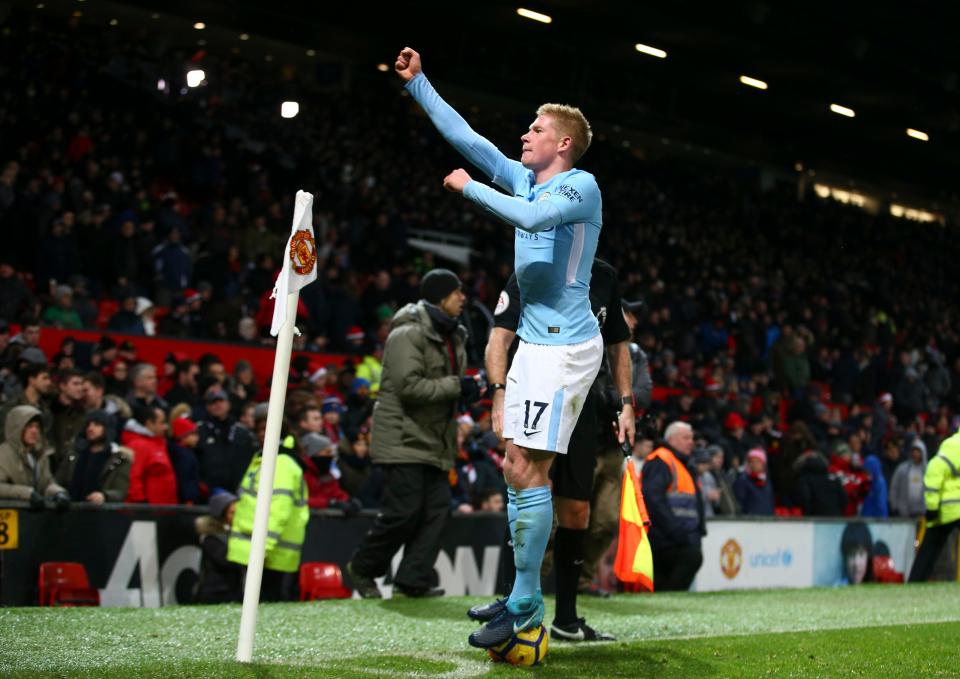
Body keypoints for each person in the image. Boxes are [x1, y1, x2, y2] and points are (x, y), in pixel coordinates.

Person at [395, 47, 604, 647]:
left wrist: (468, 191)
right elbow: (471, 140)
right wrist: (419, 85)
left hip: (567, 348)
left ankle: (526, 606)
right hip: (533, 347)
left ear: (562, 143)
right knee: (514, 466)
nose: (525, 134)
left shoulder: (580, 187)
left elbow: (532, 221)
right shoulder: (524, 178)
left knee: (532, 467)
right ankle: (518, 598)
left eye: (537, 129)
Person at [482, 259, 635, 641]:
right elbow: (499, 337)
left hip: (580, 402)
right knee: (525, 487)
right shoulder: (531, 266)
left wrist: (627, 402)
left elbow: (619, 345)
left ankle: (567, 618)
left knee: (577, 509)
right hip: (534, 391)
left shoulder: (604, 276)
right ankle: (509, 600)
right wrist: (499, 394)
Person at [346, 269, 475, 600]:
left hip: (435, 439)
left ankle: (411, 579)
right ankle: (362, 568)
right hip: (403, 437)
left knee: (438, 510)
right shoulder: (407, 333)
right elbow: (408, 386)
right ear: (440, 296)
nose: (463, 298)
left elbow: (448, 385)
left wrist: (468, 391)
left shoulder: (454, 334)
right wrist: (456, 386)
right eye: (457, 292)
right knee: (403, 513)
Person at [226, 414, 308, 601]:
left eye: (267, 429)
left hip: (269, 553)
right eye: (259, 429)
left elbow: (279, 510)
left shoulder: (281, 463)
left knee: (264, 609)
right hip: (258, 548)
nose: (263, 434)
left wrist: (263, 547)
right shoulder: (262, 458)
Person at [641, 421, 706, 591]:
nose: (691, 442)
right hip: (665, 537)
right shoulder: (661, 460)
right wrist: (674, 530)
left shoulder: (681, 463)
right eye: (686, 438)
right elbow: (654, 500)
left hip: (678, 536)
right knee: (690, 559)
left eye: (691, 438)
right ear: (671, 439)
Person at [908, 430, 960, 582]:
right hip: (949, 508)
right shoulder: (955, 444)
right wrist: (932, 506)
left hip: (947, 508)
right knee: (930, 547)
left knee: (930, 548)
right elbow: (935, 468)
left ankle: (914, 584)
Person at [0, 405, 70, 509]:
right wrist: (27, 494)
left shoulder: (39, 455)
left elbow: (46, 483)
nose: (34, 431)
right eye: (29, 426)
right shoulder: (3, 454)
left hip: (32, 519)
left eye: (37, 427)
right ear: (17, 428)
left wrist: (58, 492)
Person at [55, 410, 132, 504]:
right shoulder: (74, 455)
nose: (90, 428)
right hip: (69, 511)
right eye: (89, 425)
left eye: (96, 425)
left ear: (107, 429)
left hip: (100, 514)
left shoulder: (119, 459)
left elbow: (120, 491)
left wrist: (104, 496)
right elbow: (58, 481)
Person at [195, 387, 256, 498]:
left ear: (228, 404)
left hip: (240, 491)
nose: (218, 405)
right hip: (209, 494)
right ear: (207, 407)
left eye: (221, 401)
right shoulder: (199, 431)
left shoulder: (241, 432)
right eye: (213, 402)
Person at [122, 405, 177, 504]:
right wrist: (140, 503)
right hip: (148, 511)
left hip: (162, 509)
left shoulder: (157, 443)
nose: (166, 427)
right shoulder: (139, 445)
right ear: (149, 423)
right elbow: (133, 477)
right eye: (162, 422)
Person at [194, 491, 243, 604]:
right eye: (232, 513)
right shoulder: (210, 537)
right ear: (221, 514)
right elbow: (225, 559)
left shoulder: (232, 533)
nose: (236, 517)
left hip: (233, 592)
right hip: (216, 595)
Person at [889, 439, 927, 518]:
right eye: (913, 451)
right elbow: (894, 487)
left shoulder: (928, 470)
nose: (915, 453)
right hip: (904, 511)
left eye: (918, 451)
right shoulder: (902, 469)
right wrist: (894, 506)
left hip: (922, 512)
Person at [733, 448, 775, 516]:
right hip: (750, 522)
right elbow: (739, 504)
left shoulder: (767, 480)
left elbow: (771, 502)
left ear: (763, 464)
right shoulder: (743, 480)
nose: (754, 464)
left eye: (758, 461)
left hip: (768, 521)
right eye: (751, 461)